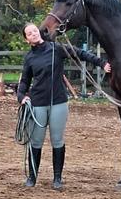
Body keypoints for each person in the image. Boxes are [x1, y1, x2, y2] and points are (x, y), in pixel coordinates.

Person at [17, 23, 111, 189]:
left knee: (57, 139)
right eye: (29, 34)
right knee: (36, 141)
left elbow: (80, 53)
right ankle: (32, 177)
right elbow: (25, 81)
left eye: (34, 31)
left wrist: (101, 63)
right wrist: (21, 96)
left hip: (58, 102)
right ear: (27, 40)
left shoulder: (57, 49)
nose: (33, 34)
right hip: (38, 102)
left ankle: (57, 178)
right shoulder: (29, 58)